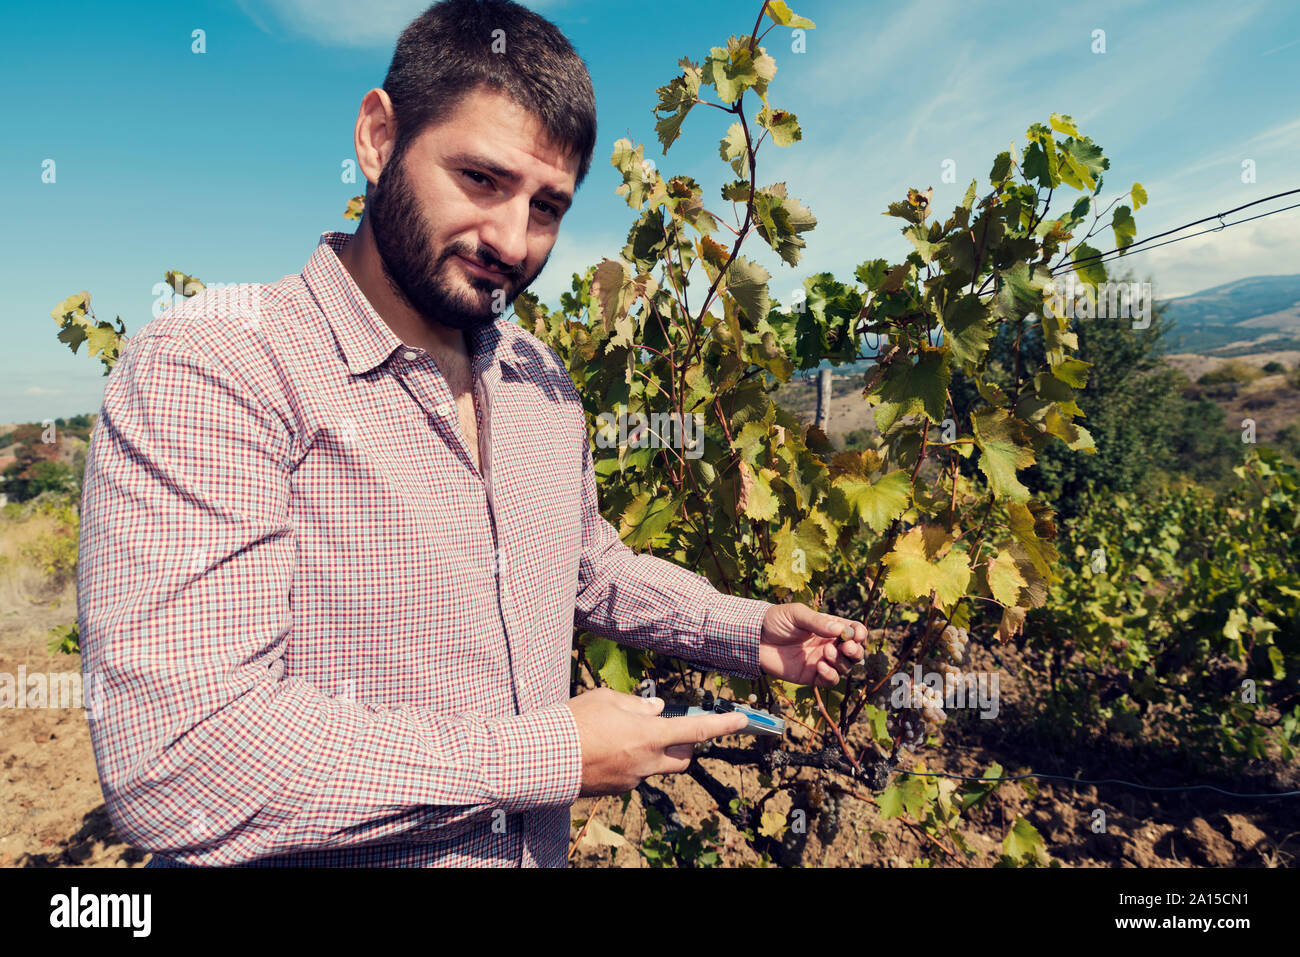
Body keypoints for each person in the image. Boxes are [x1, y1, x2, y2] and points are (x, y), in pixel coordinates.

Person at [76, 0, 865, 868]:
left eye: (547, 207)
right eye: (482, 179)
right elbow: (182, 759)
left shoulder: (538, 378)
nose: (511, 240)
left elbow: (587, 566)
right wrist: (554, 754)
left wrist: (741, 630)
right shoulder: (216, 367)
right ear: (378, 137)